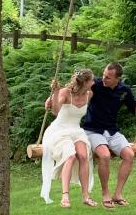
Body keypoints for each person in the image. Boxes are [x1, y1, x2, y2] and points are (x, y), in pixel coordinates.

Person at [83, 62, 136, 208]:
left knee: (129, 155)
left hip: (112, 130)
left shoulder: (124, 90)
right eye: (103, 75)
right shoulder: (94, 84)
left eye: (108, 77)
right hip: (93, 129)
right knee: (105, 155)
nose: (103, 79)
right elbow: (77, 91)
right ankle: (105, 193)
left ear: (117, 79)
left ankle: (118, 194)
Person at [41, 69, 97, 208]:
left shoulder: (89, 94)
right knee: (70, 156)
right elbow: (55, 111)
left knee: (84, 156)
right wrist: (55, 93)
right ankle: (65, 196)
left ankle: (86, 196)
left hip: (76, 131)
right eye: (91, 80)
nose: (94, 82)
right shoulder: (65, 92)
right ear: (85, 82)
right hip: (59, 131)